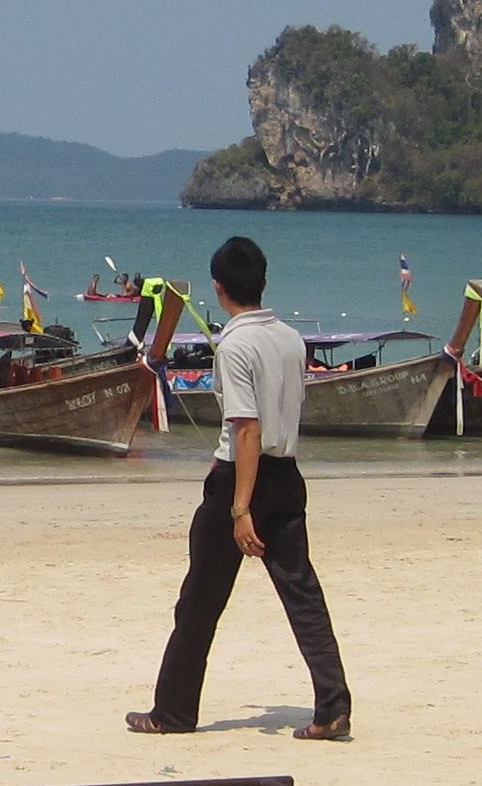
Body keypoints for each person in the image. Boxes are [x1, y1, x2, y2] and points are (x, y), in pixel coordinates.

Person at [128, 236, 351, 742]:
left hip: (244, 479)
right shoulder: (291, 339)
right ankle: (333, 706)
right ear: (263, 282)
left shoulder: (234, 346)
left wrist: (239, 507)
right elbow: (268, 420)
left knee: (199, 602)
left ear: (218, 288)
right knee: (303, 595)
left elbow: (248, 429)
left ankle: (172, 712)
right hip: (286, 473)